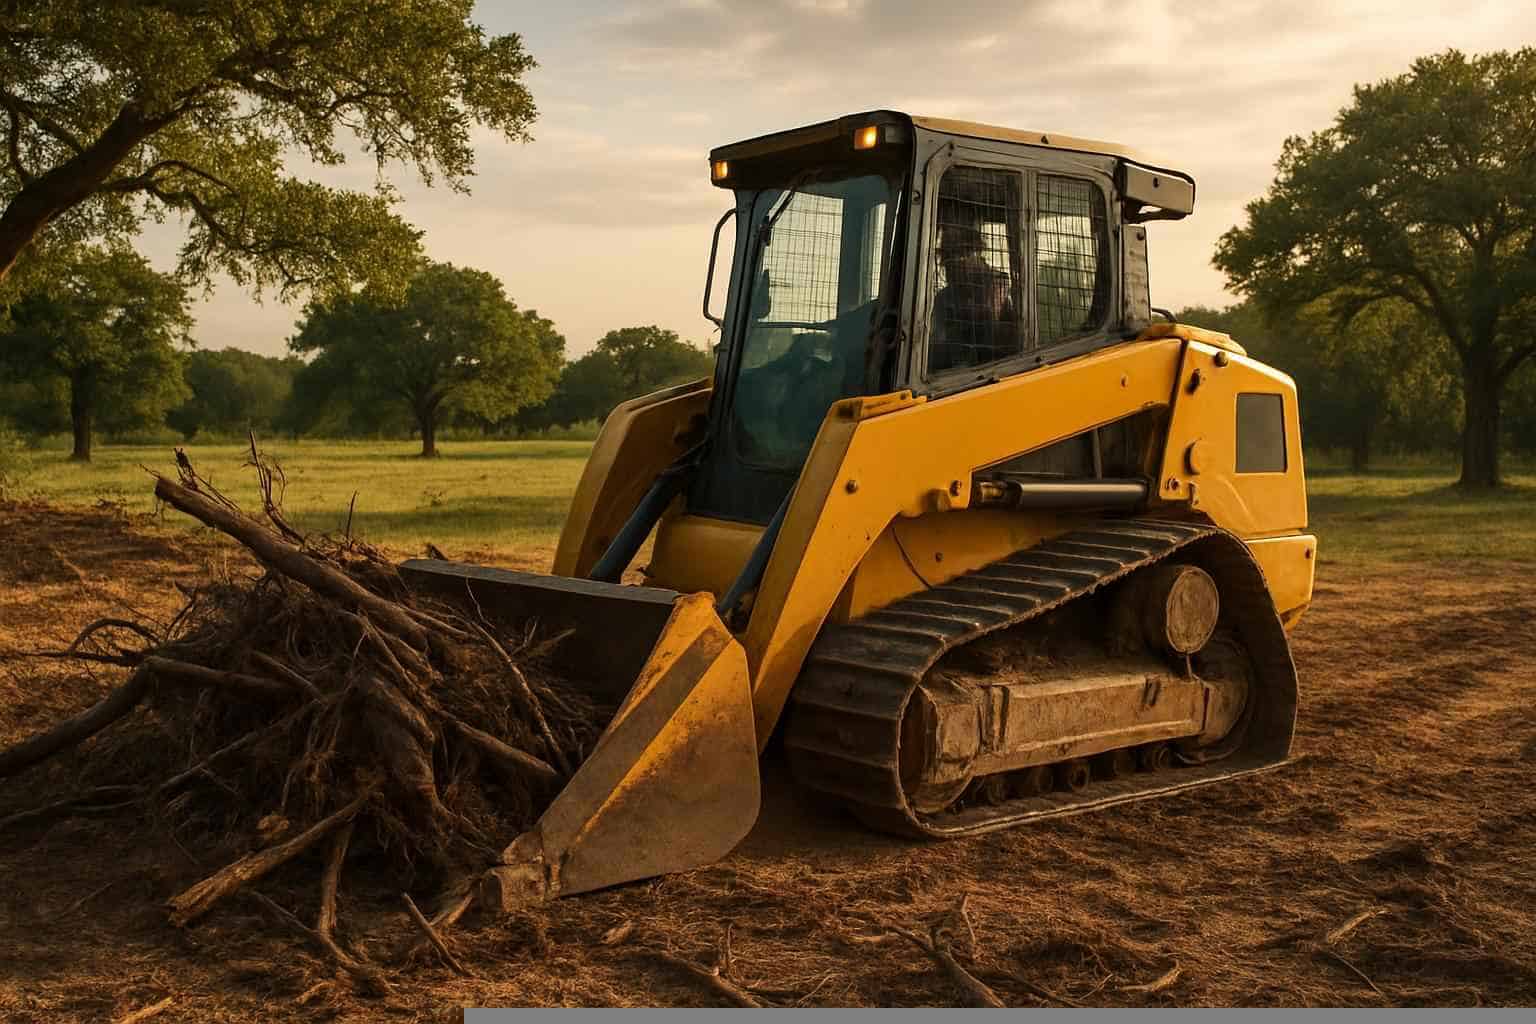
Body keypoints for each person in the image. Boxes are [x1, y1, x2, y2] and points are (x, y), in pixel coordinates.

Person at [929, 224, 1017, 372]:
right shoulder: (944, 298)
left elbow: (996, 333)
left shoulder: (997, 286)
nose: (951, 266)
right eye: (948, 259)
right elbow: (938, 344)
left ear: (974, 254)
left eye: (960, 256)